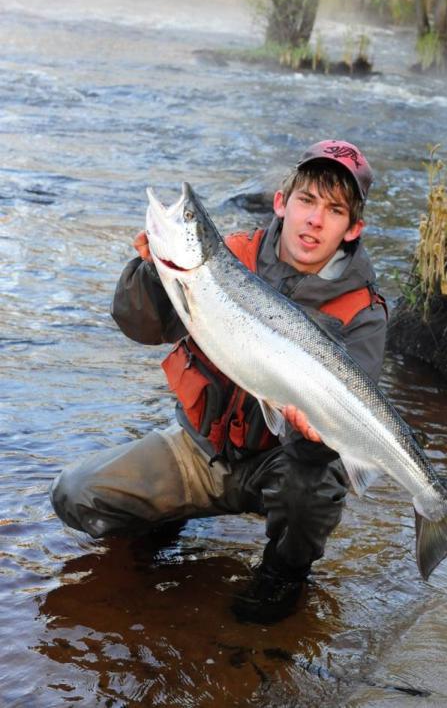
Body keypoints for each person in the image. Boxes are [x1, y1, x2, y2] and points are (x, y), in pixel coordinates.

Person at [50, 140, 387, 623]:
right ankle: (168, 514)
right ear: (281, 202)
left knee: (313, 483)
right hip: (199, 447)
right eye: (307, 201)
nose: (315, 219)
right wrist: (151, 272)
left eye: (334, 210)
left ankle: (283, 576)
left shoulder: (364, 314)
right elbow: (139, 326)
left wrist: (313, 439)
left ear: (353, 229)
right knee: (75, 493)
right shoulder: (228, 256)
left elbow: (346, 431)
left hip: (283, 462)